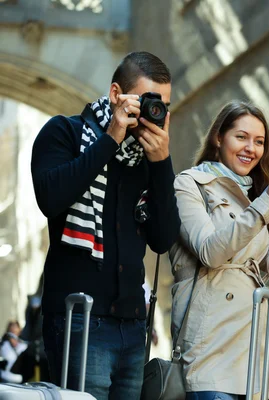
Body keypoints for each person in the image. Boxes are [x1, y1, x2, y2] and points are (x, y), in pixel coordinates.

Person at [31, 51, 181, 399]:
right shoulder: (64, 133)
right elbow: (51, 199)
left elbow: (163, 239)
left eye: (163, 104)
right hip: (79, 320)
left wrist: (161, 163)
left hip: (131, 327)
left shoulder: (146, 158)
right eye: (146, 101)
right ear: (116, 94)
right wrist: (110, 139)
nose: (153, 112)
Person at [169, 100, 269, 400]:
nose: (251, 148)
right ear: (218, 137)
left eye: (259, 142)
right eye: (241, 137)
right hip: (212, 347)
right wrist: (268, 201)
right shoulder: (190, 184)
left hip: (255, 350)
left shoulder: (255, 196)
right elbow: (210, 252)